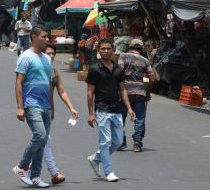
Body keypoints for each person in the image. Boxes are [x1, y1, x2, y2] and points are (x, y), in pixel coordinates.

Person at [86, 38, 136, 182]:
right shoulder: (95, 69)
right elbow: (90, 92)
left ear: (113, 50)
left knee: (118, 141)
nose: (106, 51)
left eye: (108, 49)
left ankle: (95, 158)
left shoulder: (118, 69)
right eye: (103, 49)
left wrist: (129, 108)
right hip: (102, 110)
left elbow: (122, 90)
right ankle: (109, 172)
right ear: (99, 51)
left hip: (117, 110)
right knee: (106, 142)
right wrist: (90, 113)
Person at [12, 27, 53, 188]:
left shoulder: (47, 59)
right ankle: (21, 166)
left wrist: (52, 106)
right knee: (40, 135)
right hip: (31, 103)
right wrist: (20, 107)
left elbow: (48, 83)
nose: (46, 39)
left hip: (45, 105)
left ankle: (36, 176)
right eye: (44, 36)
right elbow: (18, 83)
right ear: (34, 37)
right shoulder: (25, 57)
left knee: (42, 142)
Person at [39, 44, 79, 185]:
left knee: (39, 141)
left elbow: (62, 91)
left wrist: (71, 108)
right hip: (36, 109)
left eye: (53, 54)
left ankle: (25, 167)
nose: (51, 56)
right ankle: (54, 172)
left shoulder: (55, 72)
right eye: (48, 53)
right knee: (44, 140)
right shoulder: (36, 69)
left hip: (49, 112)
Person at [117, 38, 154, 152]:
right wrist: (147, 91)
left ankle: (121, 142)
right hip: (140, 92)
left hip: (125, 92)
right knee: (140, 119)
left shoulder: (123, 56)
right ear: (141, 49)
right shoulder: (145, 61)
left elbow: (118, 72)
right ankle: (137, 143)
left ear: (130, 47)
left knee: (121, 118)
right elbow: (151, 78)